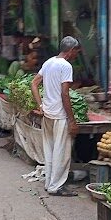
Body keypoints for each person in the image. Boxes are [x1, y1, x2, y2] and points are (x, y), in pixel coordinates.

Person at [31, 36, 81, 197]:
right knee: (62, 151)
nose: (77, 55)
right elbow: (65, 93)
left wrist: (40, 105)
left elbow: (34, 83)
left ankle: (49, 183)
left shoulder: (49, 62)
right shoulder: (65, 66)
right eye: (76, 52)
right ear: (71, 50)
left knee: (50, 149)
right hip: (59, 115)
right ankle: (56, 186)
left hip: (48, 113)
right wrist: (71, 120)